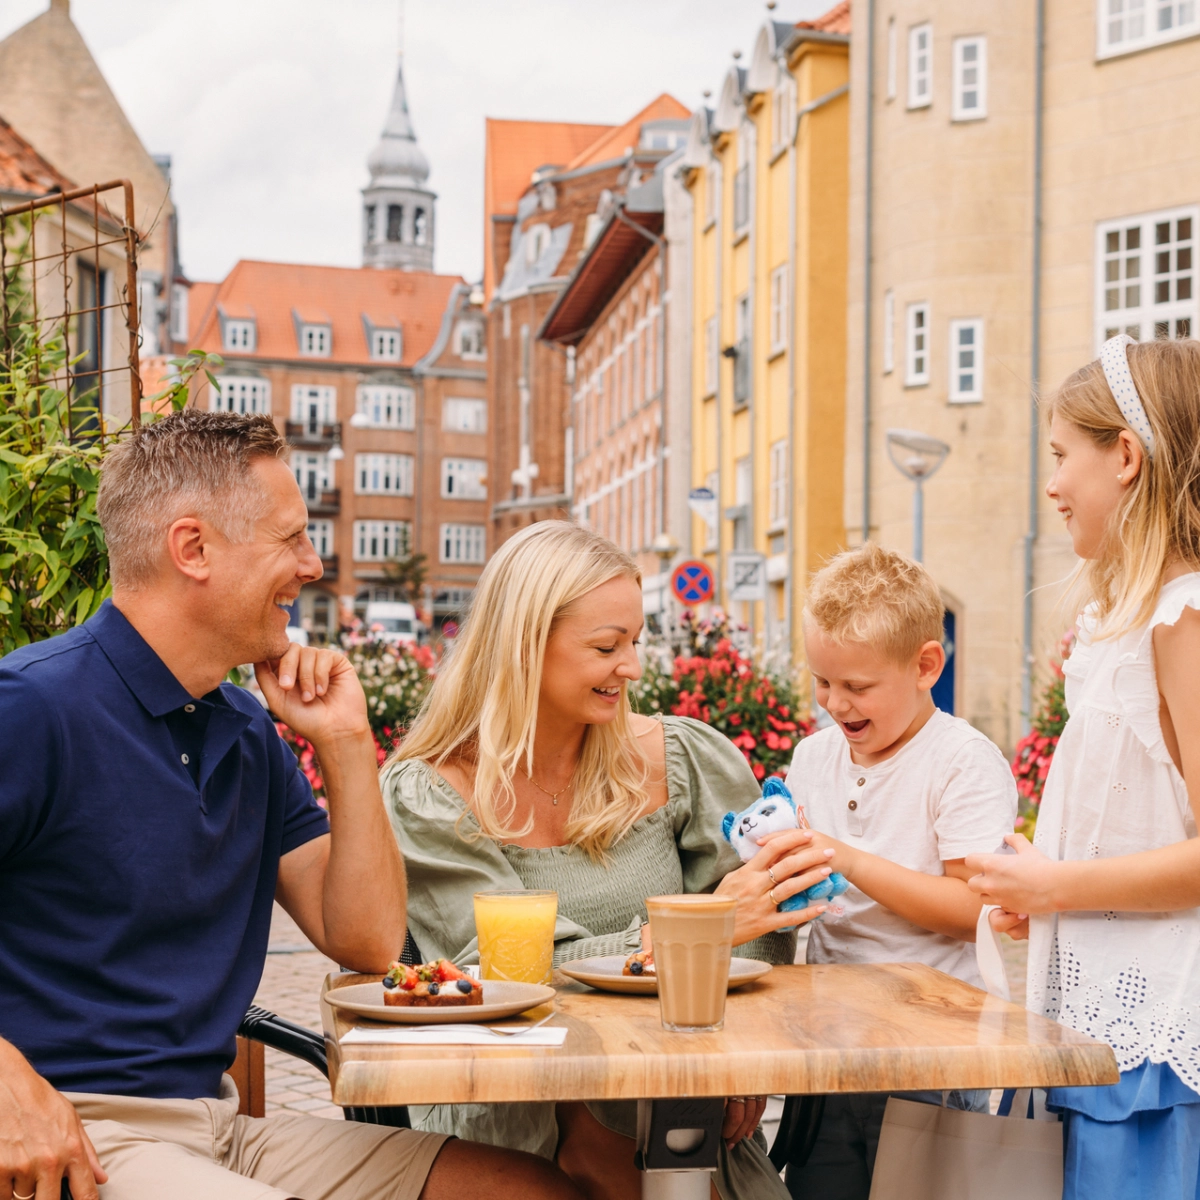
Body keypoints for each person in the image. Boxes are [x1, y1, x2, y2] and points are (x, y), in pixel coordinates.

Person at [0, 410, 582, 1200]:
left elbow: (369, 943)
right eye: (290, 539)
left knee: (537, 1194)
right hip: (80, 1132)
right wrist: (11, 1090)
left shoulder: (246, 730)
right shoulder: (34, 707)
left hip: (220, 1130)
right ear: (193, 549)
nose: (312, 565)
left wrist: (346, 742)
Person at [383, 521, 835, 1200]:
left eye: (636, 642)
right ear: (524, 646)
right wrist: (703, 926)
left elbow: (767, 922)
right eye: (606, 646)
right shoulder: (434, 792)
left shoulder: (683, 759)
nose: (631, 667)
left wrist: (741, 1057)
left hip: (683, 1092)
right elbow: (510, 977)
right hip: (515, 1121)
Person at [967, 336, 1200, 1200]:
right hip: (1113, 1040)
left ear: (1128, 457)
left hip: (1156, 1054)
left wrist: (1058, 886)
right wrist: (1051, 887)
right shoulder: (1136, 623)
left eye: (1065, 455)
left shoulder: (1184, 620)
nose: (1054, 484)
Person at [772, 543, 1017, 1198]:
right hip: (829, 1045)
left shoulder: (961, 761)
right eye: (822, 682)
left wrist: (844, 857)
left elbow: (975, 911)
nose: (835, 704)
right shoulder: (813, 755)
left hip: (930, 1048)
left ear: (925, 666)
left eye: (857, 687)